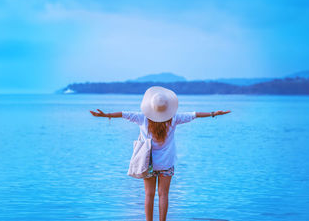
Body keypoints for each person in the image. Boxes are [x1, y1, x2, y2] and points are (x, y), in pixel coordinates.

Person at [90, 86, 230, 221]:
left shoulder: (142, 118)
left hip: (147, 163)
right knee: (164, 195)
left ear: (150, 106)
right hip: (167, 164)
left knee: (149, 195)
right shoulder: (174, 119)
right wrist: (213, 114)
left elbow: (123, 114)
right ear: (167, 108)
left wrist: (105, 115)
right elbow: (195, 115)